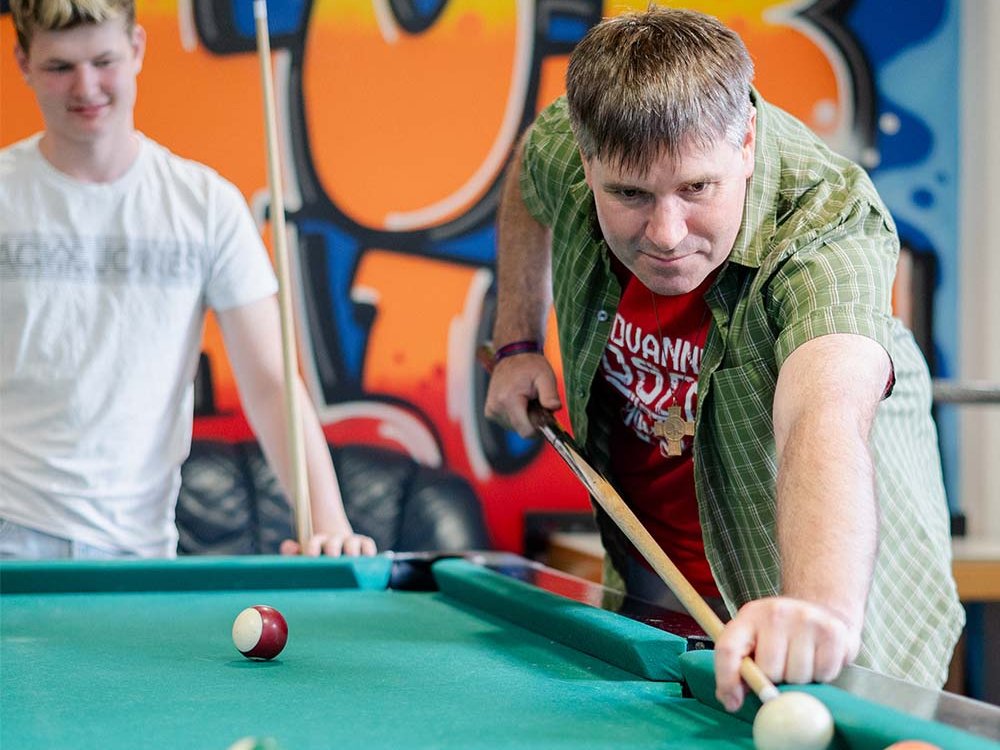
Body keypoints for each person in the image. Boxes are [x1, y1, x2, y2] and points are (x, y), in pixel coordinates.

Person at [484, 6, 963, 712]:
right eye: (630, 195)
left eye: (696, 189)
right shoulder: (574, 142)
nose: (667, 234)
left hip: (827, 586)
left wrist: (818, 611)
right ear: (589, 164)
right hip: (657, 570)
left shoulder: (827, 226)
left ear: (744, 141)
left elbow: (820, 417)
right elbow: (531, 161)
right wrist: (517, 340)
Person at [0, 0, 376, 559]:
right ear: (23, 63)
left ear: (137, 50)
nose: (86, 86)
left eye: (104, 60)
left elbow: (273, 384)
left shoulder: (205, 206)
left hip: (139, 553)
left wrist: (327, 522)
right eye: (59, 67)